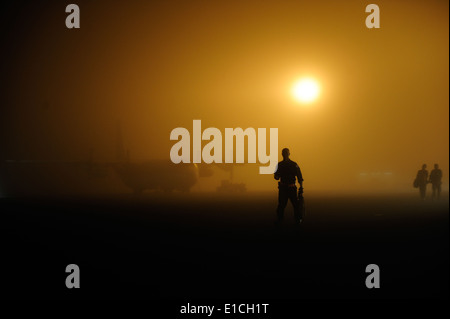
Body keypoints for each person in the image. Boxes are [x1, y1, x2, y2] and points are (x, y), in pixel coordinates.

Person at [274, 148, 303, 224]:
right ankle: (280, 220)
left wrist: (301, 187)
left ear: (289, 154)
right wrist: (277, 175)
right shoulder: (280, 165)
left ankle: (298, 220)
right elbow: (276, 177)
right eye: (284, 153)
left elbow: (299, 177)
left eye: (286, 153)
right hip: (283, 188)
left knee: (296, 206)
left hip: (291, 188)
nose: (285, 155)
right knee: (281, 206)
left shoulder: (294, 164)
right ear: (282, 154)